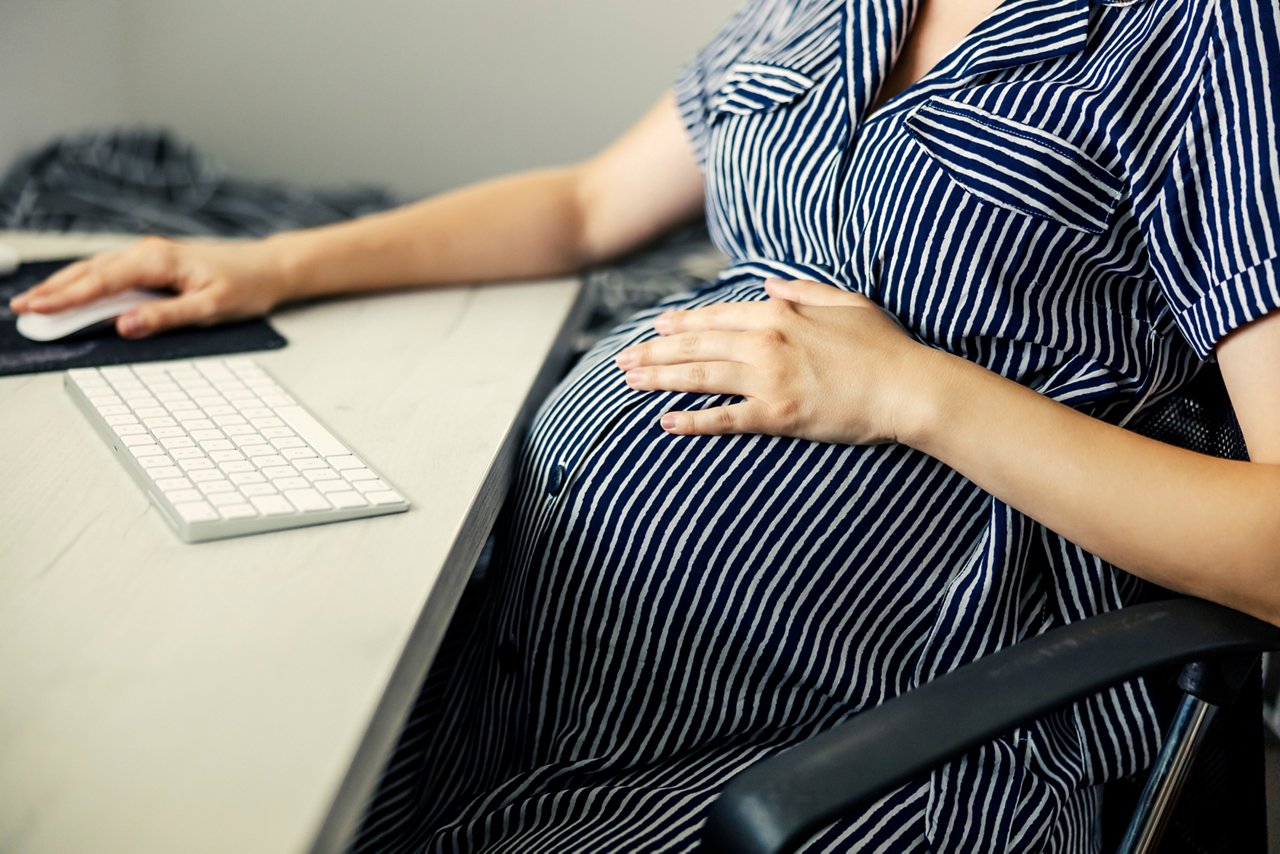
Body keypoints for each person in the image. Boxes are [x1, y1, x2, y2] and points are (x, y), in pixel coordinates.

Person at [13, 0, 1280, 848]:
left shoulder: (1213, 38)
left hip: (834, 725)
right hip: (531, 646)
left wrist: (913, 392)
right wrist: (280, 266)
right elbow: (582, 206)